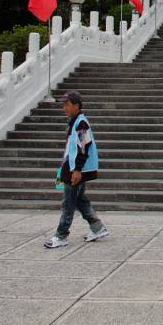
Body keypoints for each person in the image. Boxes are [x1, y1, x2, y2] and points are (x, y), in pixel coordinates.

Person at [45, 90, 109, 248]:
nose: (64, 108)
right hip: (71, 167)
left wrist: (77, 170)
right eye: (64, 105)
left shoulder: (81, 123)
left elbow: (84, 147)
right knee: (79, 200)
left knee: (68, 203)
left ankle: (61, 235)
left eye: (67, 105)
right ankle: (97, 227)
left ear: (76, 105)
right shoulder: (74, 121)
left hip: (76, 169)